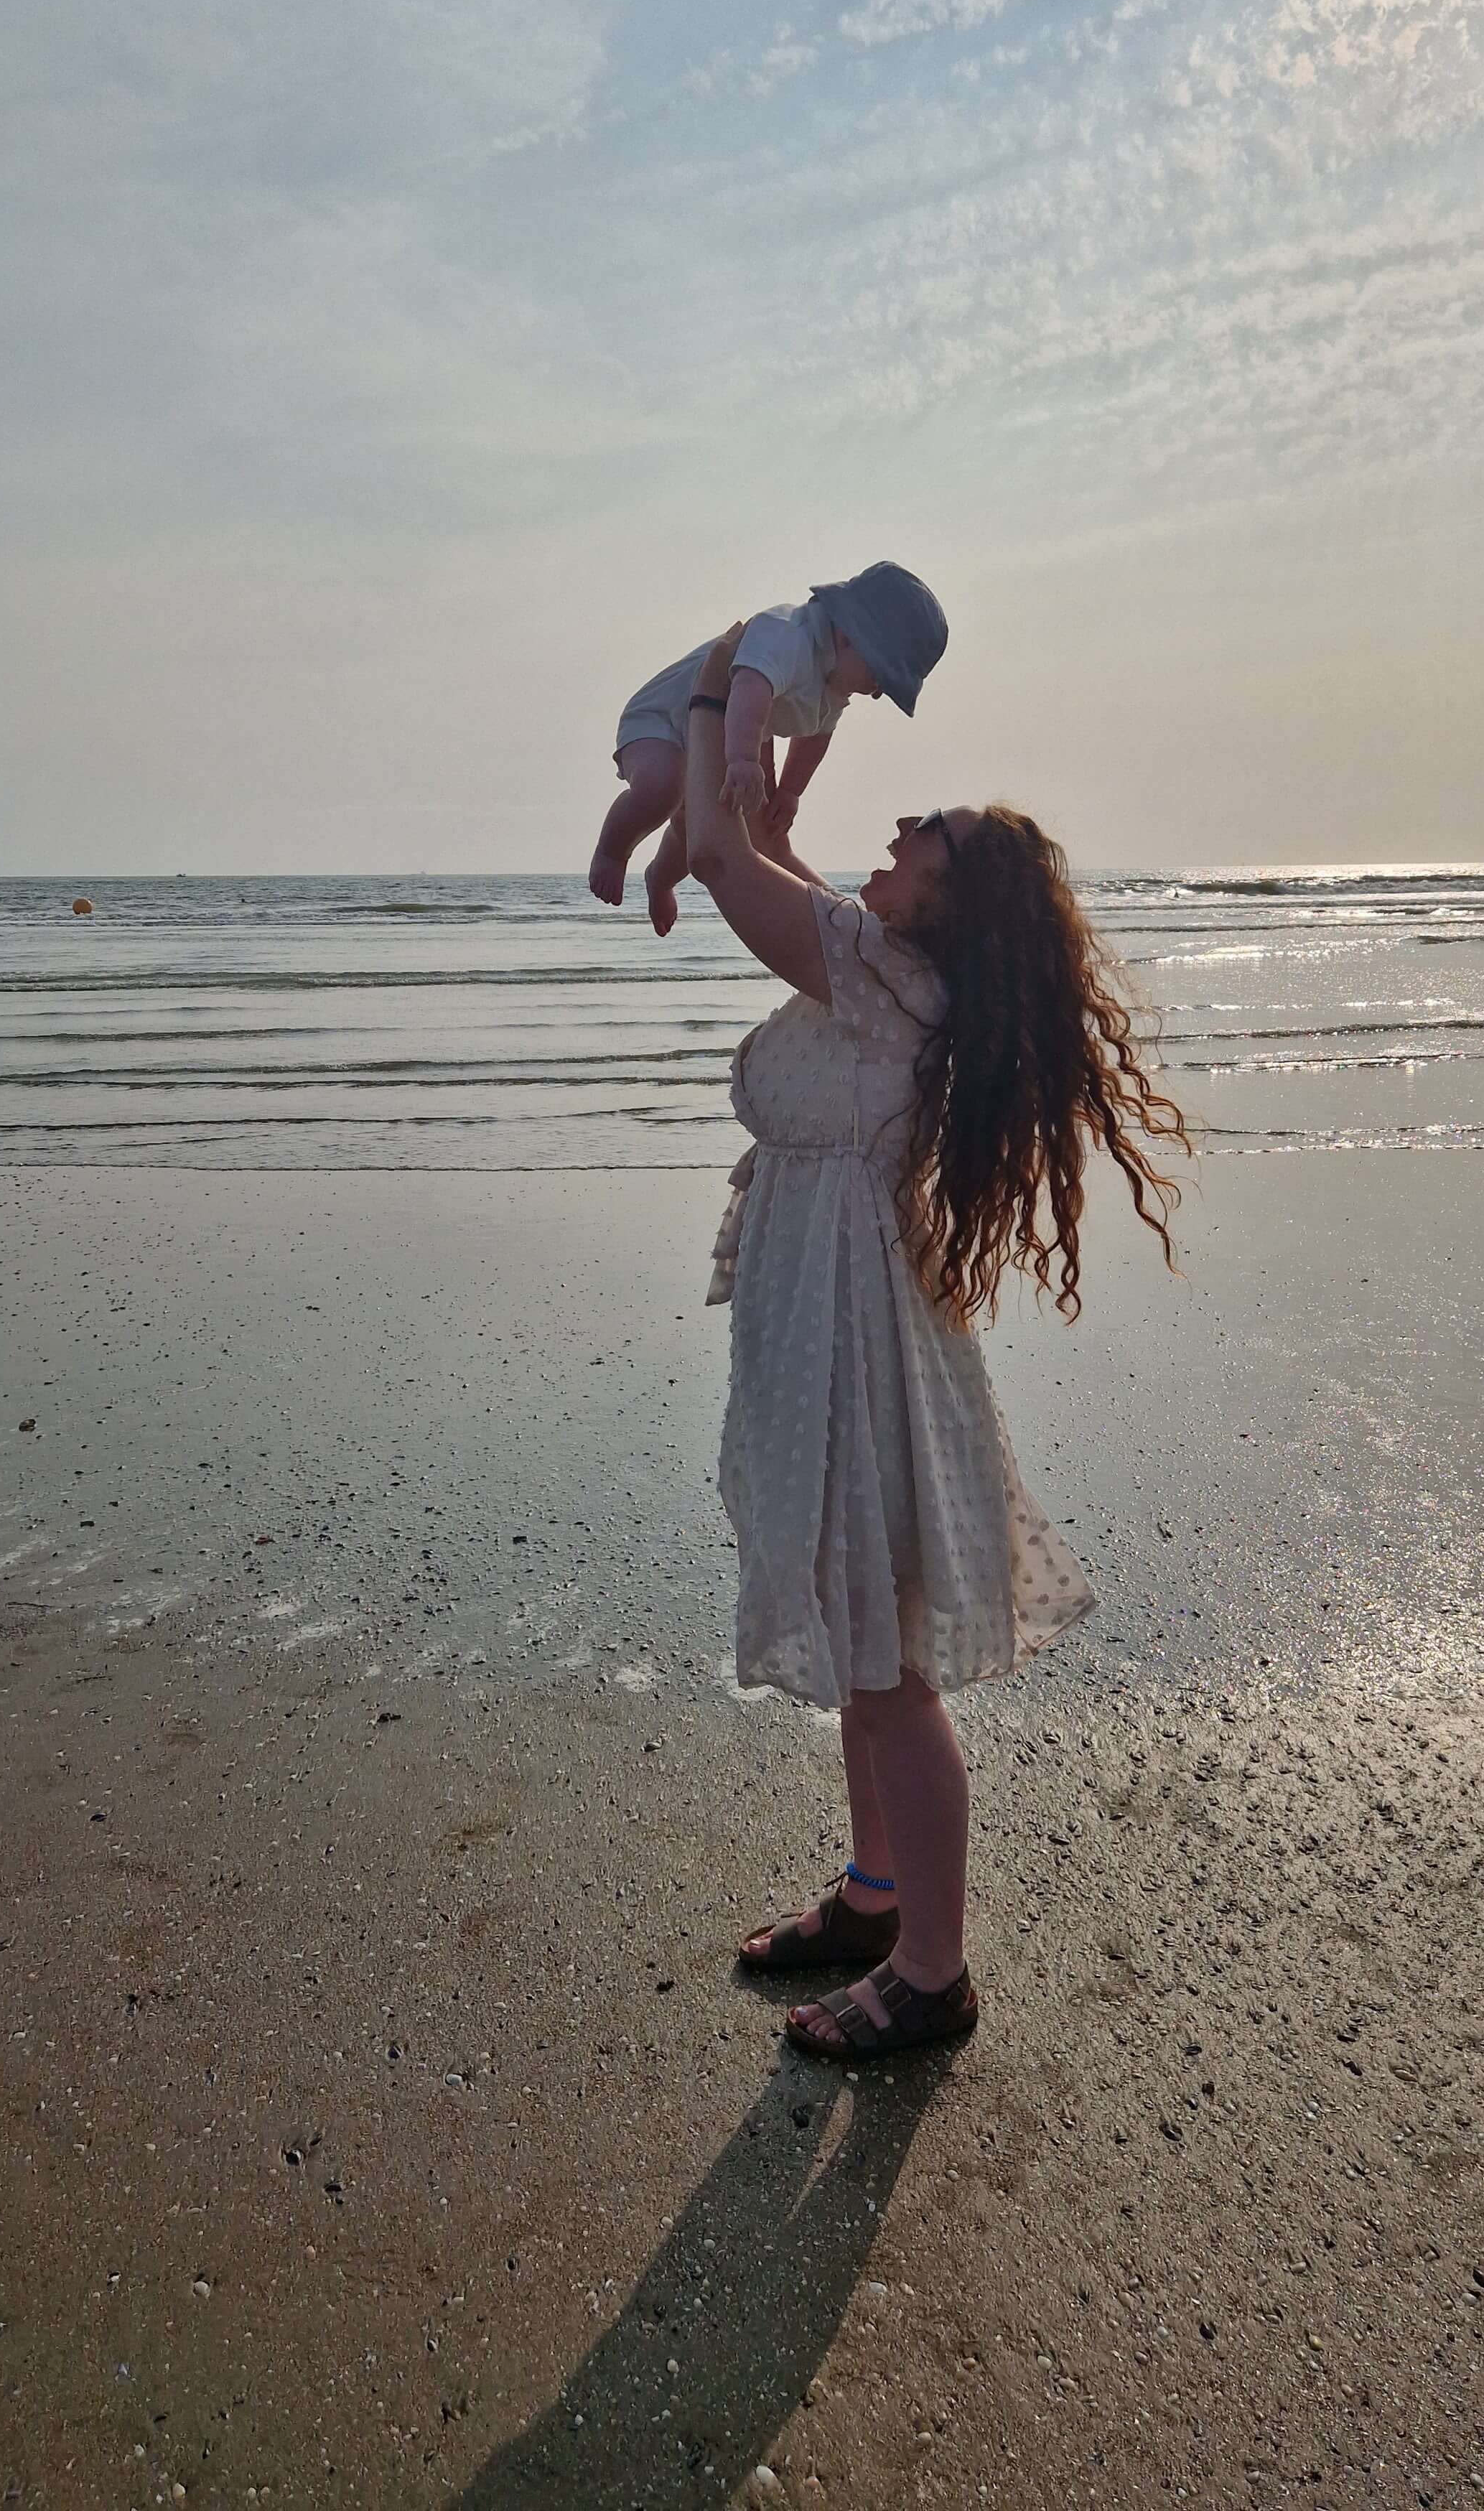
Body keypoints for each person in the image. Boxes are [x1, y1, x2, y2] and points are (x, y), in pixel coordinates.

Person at [681, 625, 1190, 2061]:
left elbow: (721, 863)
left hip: (852, 1339)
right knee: (867, 1627)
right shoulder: (892, 971)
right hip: (840, 1318)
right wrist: (768, 795)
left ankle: (932, 1971)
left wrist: (717, 694)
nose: (898, 828)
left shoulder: (887, 975)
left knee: (890, 1668)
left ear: (946, 909)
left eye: (929, 836)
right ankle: (874, 1893)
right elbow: (758, 859)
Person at [588, 561, 946, 936]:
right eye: (881, 677)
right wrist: (742, 758)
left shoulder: (834, 684)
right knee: (662, 787)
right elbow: (748, 685)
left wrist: (791, 791)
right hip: (664, 720)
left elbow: (816, 736)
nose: (876, 692)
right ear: (850, 636)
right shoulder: (787, 633)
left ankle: (660, 880)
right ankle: (613, 850)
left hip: (727, 737)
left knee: (696, 821)